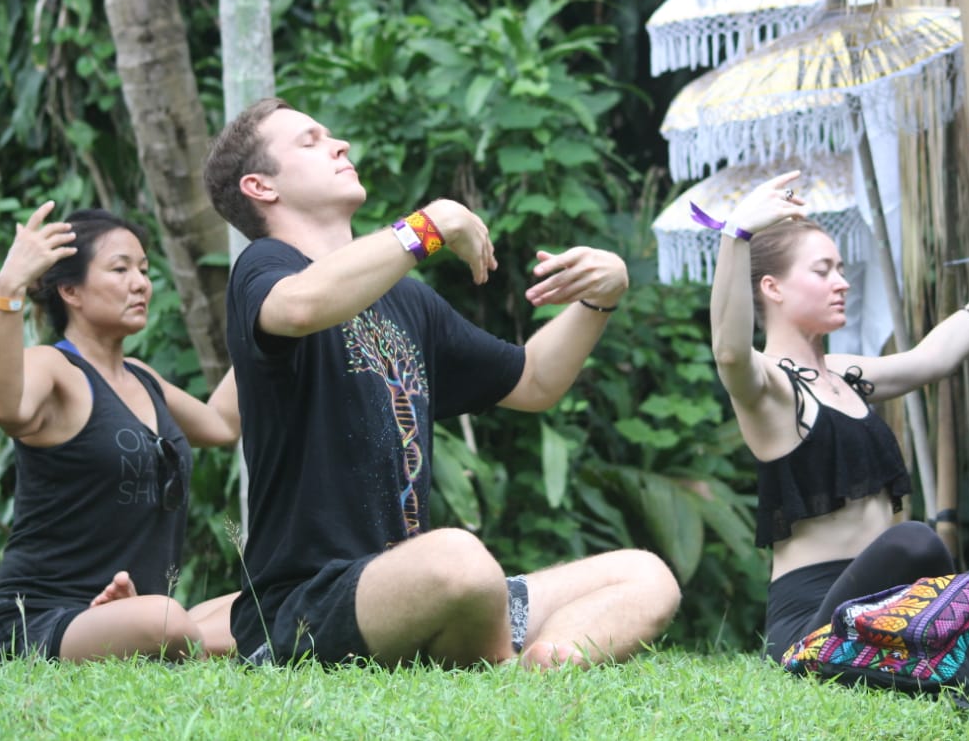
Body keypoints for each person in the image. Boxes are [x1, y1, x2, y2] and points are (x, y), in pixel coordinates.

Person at [202, 97, 680, 669]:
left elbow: (531, 381)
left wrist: (598, 299)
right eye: (309, 140)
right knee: (458, 559)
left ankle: (549, 668)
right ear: (261, 187)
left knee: (645, 575)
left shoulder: (407, 299)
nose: (339, 145)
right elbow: (302, 306)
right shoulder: (263, 267)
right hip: (305, 606)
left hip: (421, 592)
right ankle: (496, 662)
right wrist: (430, 225)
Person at [708, 170, 969, 661]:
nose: (841, 283)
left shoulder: (841, 373)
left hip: (899, 603)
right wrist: (736, 236)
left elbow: (933, 359)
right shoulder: (770, 386)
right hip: (815, 623)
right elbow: (730, 353)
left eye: (840, 268)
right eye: (822, 271)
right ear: (772, 288)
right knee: (912, 540)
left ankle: (952, 635)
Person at [0, 202, 241, 663]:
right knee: (166, 620)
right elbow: (4, 407)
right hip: (44, 621)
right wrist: (9, 290)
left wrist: (269, 322)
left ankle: (189, 641)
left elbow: (222, 424)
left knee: (269, 603)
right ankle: (202, 648)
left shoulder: (142, 377)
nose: (140, 283)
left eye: (142, 269)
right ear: (71, 292)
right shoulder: (53, 367)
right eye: (120, 269)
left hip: (134, 614)